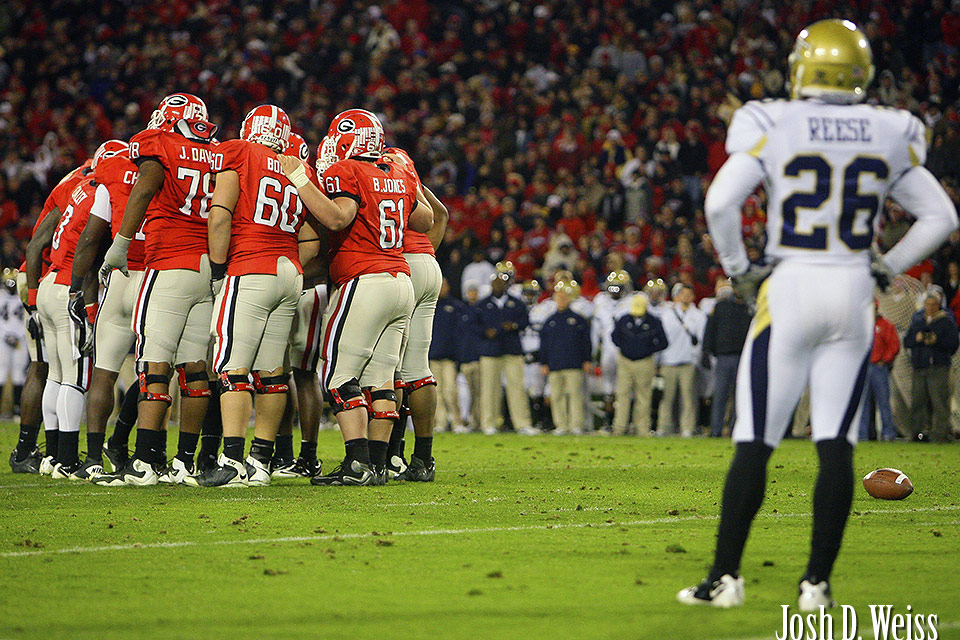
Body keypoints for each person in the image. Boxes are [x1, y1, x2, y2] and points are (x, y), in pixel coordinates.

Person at [680, 20, 958, 611]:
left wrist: (739, 268)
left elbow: (721, 201)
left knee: (755, 441)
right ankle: (816, 585)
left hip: (792, 284)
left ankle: (725, 579)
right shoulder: (891, 127)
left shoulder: (771, 118)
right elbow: (942, 217)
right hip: (853, 292)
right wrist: (887, 266)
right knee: (836, 442)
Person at [278, 109, 433, 486]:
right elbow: (425, 220)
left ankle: (357, 462)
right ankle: (377, 464)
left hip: (365, 280)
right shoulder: (396, 170)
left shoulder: (346, 170)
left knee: (337, 375)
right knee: (381, 379)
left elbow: (337, 218)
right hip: (400, 280)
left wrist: (299, 178)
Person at [94, 93, 219, 487]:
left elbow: (145, 187)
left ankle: (146, 461)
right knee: (195, 368)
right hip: (207, 266)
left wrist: (121, 243)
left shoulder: (158, 142)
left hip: (169, 262)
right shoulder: (217, 151)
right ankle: (183, 461)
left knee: (154, 364)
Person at [187, 104, 305, 488]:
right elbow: (308, 233)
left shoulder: (238, 151)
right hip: (290, 269)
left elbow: (220, 214)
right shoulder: (293, 165)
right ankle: (261, 462)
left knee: (232, 368)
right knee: (273, 373)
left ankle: (233, 460)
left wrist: (218, 270)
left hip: (252, 265)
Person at [69, 139, 143, 479]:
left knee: (104, 371)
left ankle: (94, 458)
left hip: (120, 278)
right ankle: (140, 450)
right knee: (156, 372)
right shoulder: (176, 172)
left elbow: (89, 238)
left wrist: (76, 291)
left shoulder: (112, 175)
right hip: (159, 276)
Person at [15, 159, 90, 475]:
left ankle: (43, 451)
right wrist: (32, 301)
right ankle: (26, 451)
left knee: (50, 370)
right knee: (47, 368)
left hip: (43, 278)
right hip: (45, 278)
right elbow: (36, 246)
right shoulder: (84, 187)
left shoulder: (75, 181)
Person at [383, 146, 448, 483]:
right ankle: (423, 459)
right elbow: (441, 214)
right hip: (427, 263)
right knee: (418, 368)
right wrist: (427, 254)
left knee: (388, 369)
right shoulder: (406, 171)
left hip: (398, 266)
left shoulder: (373, 170)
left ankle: (390, 455)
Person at [32, 162, 98, 478]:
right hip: (68, 288)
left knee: (56, 376)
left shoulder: (79, 189)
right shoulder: (100, 195)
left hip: (48, 283)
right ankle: (68, 460)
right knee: (75, 378)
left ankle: (53, 455)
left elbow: (36, 243)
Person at [477, 261, 532, 435]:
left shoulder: (516, 303)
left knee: (517, 387)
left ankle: (522, 423)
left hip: (512, 349)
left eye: (501, 283)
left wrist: (513, 326)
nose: (498, 285)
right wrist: (486, 332)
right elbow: (472, 326)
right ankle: (489, 423)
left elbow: (525, 321)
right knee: (489, 389)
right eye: (496, 283)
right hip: (490, 350)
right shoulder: (482, 304)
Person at [903, 291, 959, 442]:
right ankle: (917, 435)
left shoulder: (946, 322)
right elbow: (907, 341)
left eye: (933, 304)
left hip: (938, 367)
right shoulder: (918, 321)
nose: (930, 307)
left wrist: (936, 341)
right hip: (919, 366)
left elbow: (953, 344)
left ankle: (940, 435)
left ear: (939, 305)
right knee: (918, 402)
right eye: (928, 304)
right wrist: (917, 338)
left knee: (939, 401)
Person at [539, 279, 592, 435]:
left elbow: (586, 342)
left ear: (569, 299)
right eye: (559, 297)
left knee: (575, 395)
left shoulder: (578, 319)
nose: (561, 300)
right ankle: (561, 425)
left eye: (564, 297)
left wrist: (587, 360)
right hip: (555, 364)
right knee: (557, 396)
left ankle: (576, 425)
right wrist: (544, 362)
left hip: (574, 363)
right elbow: (544, 344)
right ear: (555, 299)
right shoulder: (550, 321)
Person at [611, 293, 668, 435]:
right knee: (622, 395)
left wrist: (647, 350)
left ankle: (642, 428)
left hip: (645, 362)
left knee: (643, 396)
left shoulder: (654, 321)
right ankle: (619, 428)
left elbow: (663, 342)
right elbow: (614, 337)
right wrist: (626, 348)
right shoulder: (624, 319)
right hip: (625, 361)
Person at [702, 286, 751, 437]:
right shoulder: (723, 307)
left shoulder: (748, 308)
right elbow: (710, 329)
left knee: (737, 396)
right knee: (721, 394)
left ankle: (733, 429)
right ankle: (717, 430)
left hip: (740, 357)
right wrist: (706, 351)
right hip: (725, 356)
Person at [657, 283, 706, 436]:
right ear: (677, 296)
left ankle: (687, 428)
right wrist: (659, 360)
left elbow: (701, 341)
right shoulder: (667, 314)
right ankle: (663, 427)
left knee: (688, 398)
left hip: (688, 363)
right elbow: (661, 339)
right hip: (668, 361)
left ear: (693, 297)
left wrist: (695, 359)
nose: (685, 297)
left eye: (688, 294)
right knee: (666, 398)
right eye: (682, 294)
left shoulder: (699, 316)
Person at [592, 270, 636, 424]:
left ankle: (626, 421)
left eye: (618, 287)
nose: (615, 290)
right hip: (607, 349)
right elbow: (595, 332)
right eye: (612, 286)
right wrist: (593, 353)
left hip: (627, 350)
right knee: (608, 386)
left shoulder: (634, 300)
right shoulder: (600, 301)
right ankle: (609, 421)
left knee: (627, 387)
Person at [858, 301, 900, 441]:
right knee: (863, 404)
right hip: (864, 368)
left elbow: (894, 345)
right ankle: (862, 434)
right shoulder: (861, 326)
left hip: (878, 367)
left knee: (884, 402)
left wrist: (884, 359)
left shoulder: (886, 325)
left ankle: (888, 433)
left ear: (877, 309)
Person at [429, 278, 465, 434]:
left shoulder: (456, 306)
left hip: (449, 358)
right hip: (433, 357)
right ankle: (441, 422)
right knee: (437, 393)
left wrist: (458, 356)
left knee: (451, 390)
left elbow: (460, 334)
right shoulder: (430, 306)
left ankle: (457, 421)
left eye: (444, 285)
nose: (442, 288)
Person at [0, 270, 28, 418]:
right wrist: (5, 335)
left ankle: (18, 410)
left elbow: (27, 318)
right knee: (1, 373)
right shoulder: (1, 296)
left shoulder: (22, 296)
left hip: (20, 340)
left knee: (19, 374)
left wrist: (18, 335)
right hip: (2, 340)